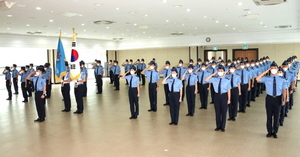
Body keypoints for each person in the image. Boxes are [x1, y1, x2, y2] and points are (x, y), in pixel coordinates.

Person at [256, 62, 287, 138]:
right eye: (272, 68)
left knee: (276, 116)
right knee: (269, 116)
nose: (273, 70)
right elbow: (257, 79)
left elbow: (284, 90)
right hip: (269, 98)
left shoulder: (282, 79)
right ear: (270, 69)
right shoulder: (267, 78)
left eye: (275, 68)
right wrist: (266, 71)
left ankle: (275, 132)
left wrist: (284, 99)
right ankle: (269, 131)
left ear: (277, 69)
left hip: (278, 98)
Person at [205, 65, 231, 132]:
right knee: (217, 112)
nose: (220, 72)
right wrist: (213, 74)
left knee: (224, 112)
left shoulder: (227, 80)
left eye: (221, 71)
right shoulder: (215, 79)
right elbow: (206, 80)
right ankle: (218, 126)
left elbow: (229, 90)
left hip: (224, 96)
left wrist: (229, 99)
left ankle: (223, 126)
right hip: (216, 96)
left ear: (224, 71)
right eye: (219, 71)